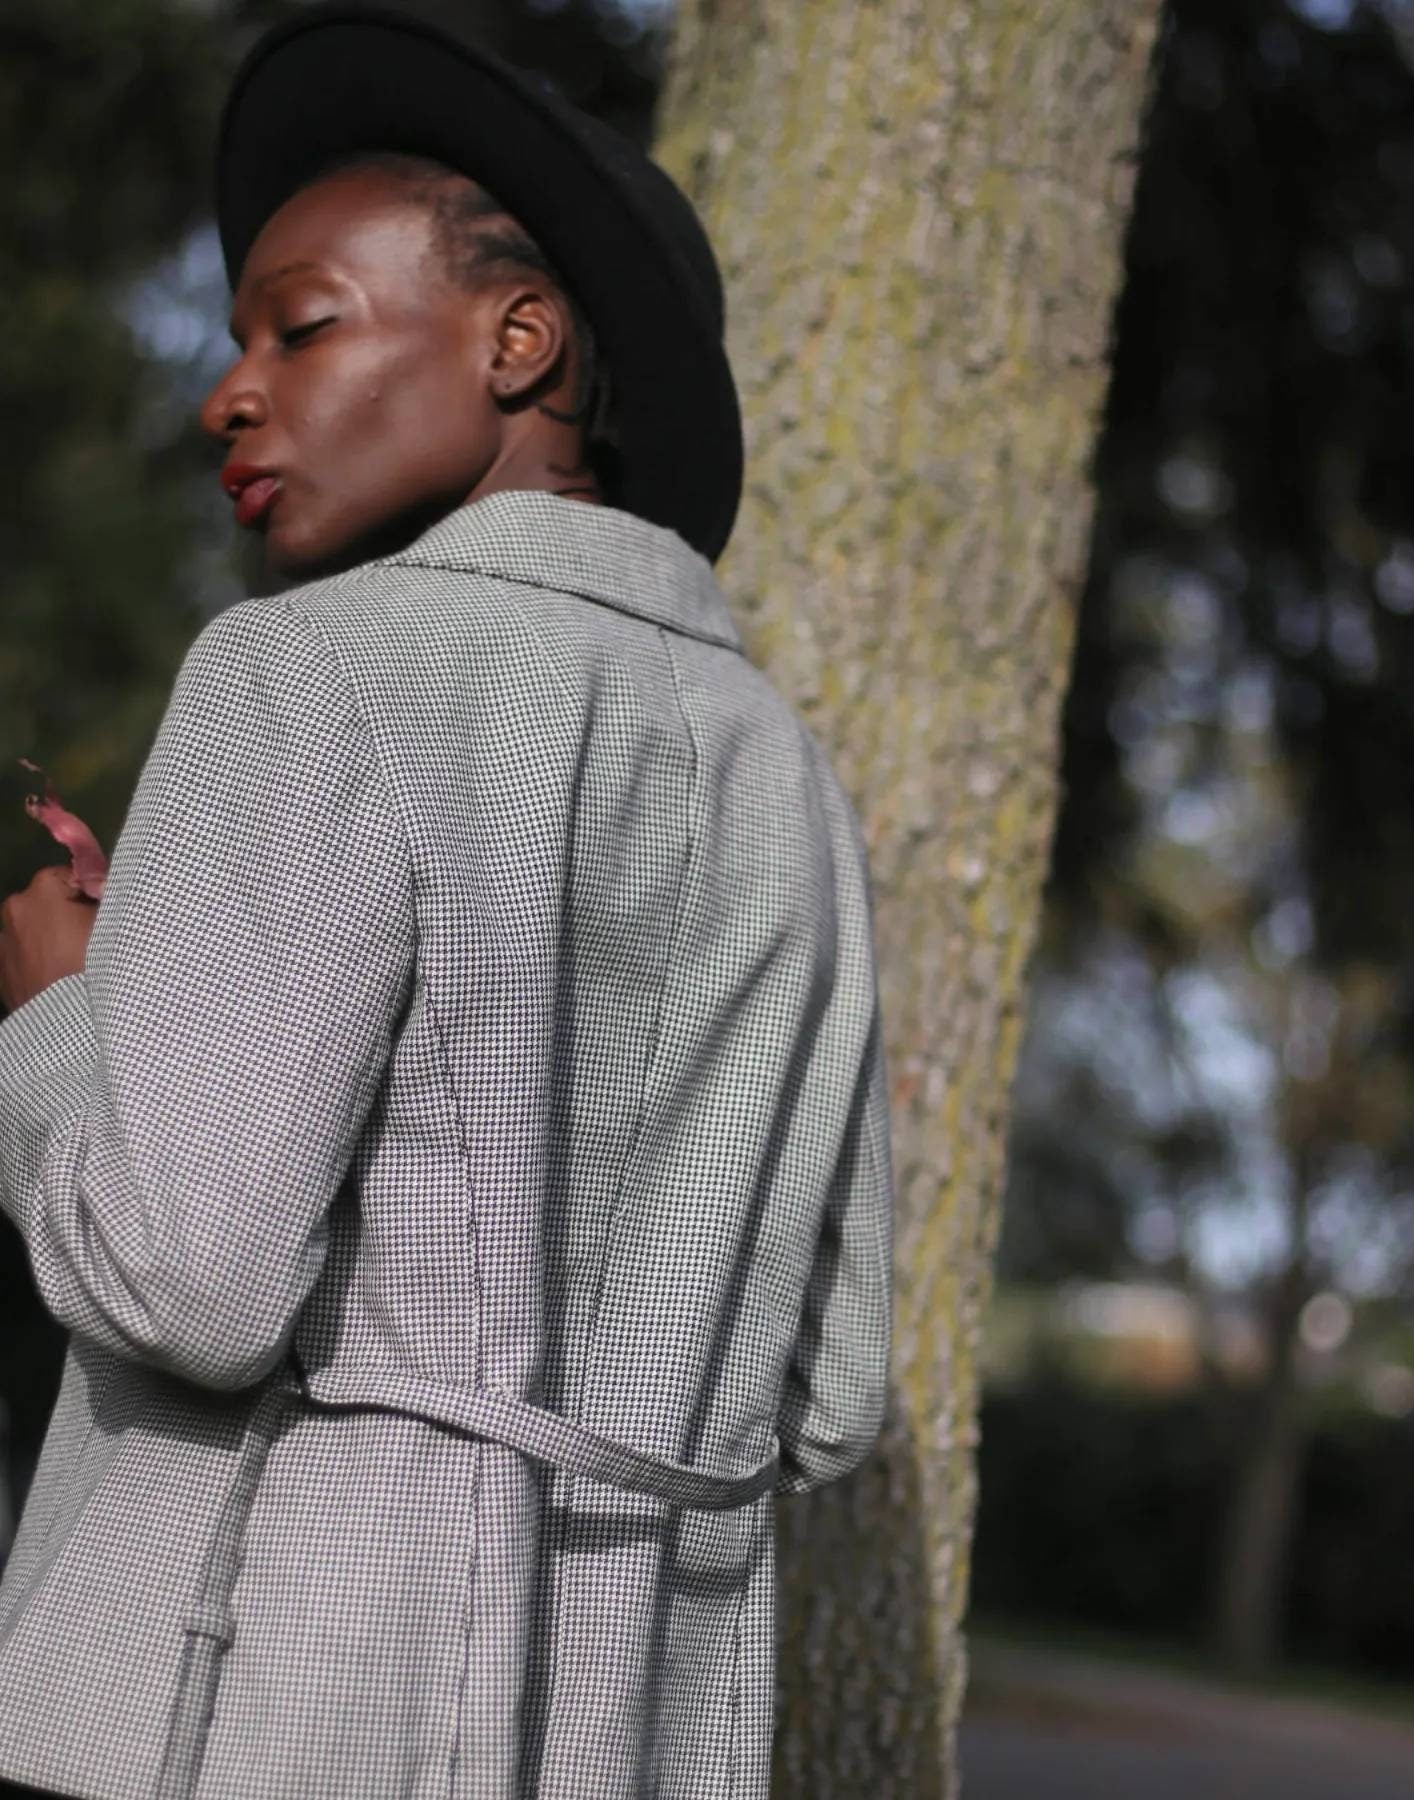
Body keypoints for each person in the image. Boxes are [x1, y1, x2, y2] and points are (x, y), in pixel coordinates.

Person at [0, 6, 893, 1797]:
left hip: (255, 1704)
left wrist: (59, 1012)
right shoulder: (789, 778)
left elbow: (188, 1279)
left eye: (302, 326)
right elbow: (832, 1394)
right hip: (644, 1736)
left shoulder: (309, 670)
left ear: (517, 340)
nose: (226, 392)